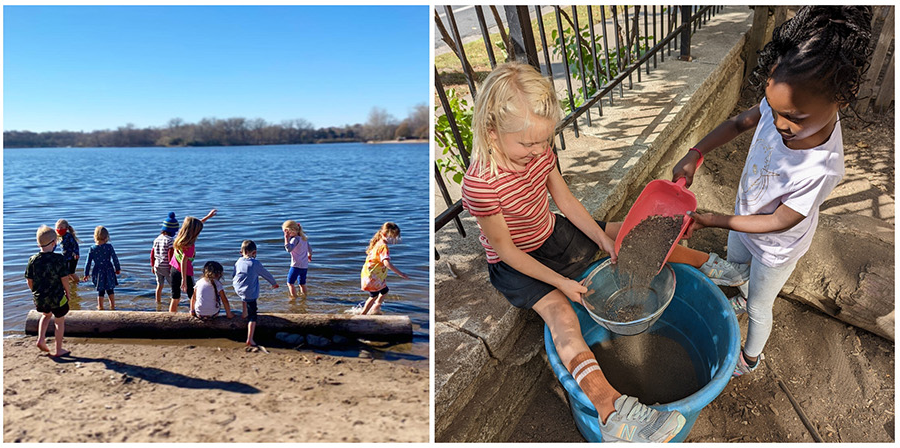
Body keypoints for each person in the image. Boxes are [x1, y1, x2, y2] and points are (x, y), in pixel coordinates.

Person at [459, 62, 684, 442]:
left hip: (551, 233)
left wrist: (602, 240)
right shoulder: (482, 186)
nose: (536, 151)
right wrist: (562, 283)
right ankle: (612, 412)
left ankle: (711, 264)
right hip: (515, 263)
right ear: (492, 133)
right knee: (562, 315)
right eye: (526, 144)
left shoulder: (541, 154)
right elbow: (508, 252)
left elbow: (564, 199)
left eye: (543, 141)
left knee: (630, 234)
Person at [671, 6, 874, 378]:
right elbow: (737, 122)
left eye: (794, 118)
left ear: (842, 98)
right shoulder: (784, 100)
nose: (778, 123)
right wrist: (695, 153)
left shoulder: (822, 166)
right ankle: (740, 295)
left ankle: (748, 359)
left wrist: (713, 220)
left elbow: (781, 220)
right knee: (736, 269)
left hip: (776, 248)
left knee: (762, 307)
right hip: (743, 219)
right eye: (773, 108)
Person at [26, 225, 73, 358]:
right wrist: (68, 293)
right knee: (59, 321)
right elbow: (64, 279)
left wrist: (35, 292)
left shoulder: (33, 260)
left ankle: (41, 339)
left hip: (41, 298)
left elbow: (29, 281)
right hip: (57, 297)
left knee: (46, 315)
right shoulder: (59, 259)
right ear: (54, 243)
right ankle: (58, 350)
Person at [168, 209, 218, 312]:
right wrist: (184, 280)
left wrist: (207, 217)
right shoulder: (189, 246)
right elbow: (184, 261)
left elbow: (193, 226)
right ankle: (196, 314)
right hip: (185, 272)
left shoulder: (180, 236)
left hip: (173, 269)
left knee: (175, 297)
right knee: (193, 296)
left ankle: (171, 317)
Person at [233, 240, 280, 349]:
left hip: (238, 289)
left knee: (245, 294)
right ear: (254, 252)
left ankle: (244, 313)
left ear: (241, 252)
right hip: (249, 293)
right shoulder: (255, 263)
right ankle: (250, 338)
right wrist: (274, 283)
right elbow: (266, 274)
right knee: (253, 315)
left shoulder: (238, 261)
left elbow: (234, 274)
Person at [358, 222, 410, 315]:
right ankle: (363, 314)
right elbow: (386, 263)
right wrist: (400, 273)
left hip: (371, 274)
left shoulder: (378, 242)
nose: (394, 239)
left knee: (384, 291)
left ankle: (376, 307)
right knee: (373, 295)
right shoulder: (383, 247)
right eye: (393, 237)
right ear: (385, 234)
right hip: (373, 276)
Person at [81, 225, 121, 310]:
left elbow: (88, 262)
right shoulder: (109, 247)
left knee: (100, 291)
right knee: (110, 289)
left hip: (98, 271)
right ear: (107, 237)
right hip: (109, 270)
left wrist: (86, 273)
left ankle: (100, 306)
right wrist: (117, 268)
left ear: (95, 237)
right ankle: (112, 306)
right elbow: (115, 258)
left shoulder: (92, 248)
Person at [150, 213, 180, 304]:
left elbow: (152, 253)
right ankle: (174, 301)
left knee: (159, 285)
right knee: (173, 286)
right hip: (167, 266)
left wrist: (152, 265)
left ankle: (158, 301)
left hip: (157, 265)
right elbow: (170, 253)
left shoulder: (157, 239)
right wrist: (172, 266)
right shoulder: (170, 240)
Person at [282, 220, 312, 299]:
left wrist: (286, 239)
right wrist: (309, 255)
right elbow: (310, 249)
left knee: (290, 283)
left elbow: (289, 249)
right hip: (304, 266)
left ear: (291, 231)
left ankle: (293, 298)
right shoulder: (304, 239)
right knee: (302, 283)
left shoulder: (295, 239)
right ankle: (304, 297)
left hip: (296, 265)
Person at [55, 219, 82, 303]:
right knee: (66, 272)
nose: (59, 229)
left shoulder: (68, 236)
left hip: (73, 257)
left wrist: (76, 253)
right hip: (65, 258)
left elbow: (75, 245)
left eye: (61, 228)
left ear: (66, 228)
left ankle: (77, 282)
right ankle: (72, 283)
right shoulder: (60, 237)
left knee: (71, 272)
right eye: (58, 228)